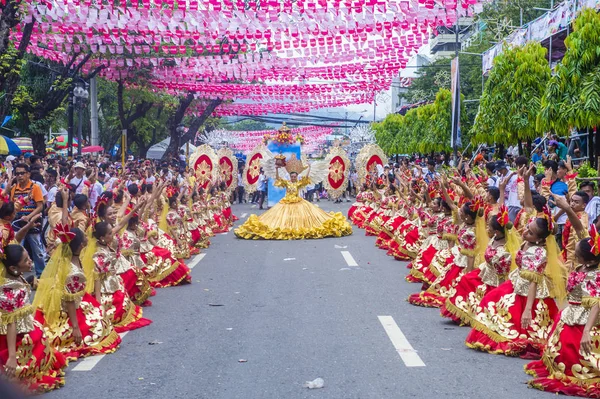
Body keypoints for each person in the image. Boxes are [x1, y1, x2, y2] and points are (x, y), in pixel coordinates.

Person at [465, 212, 566, 357]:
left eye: (530, 233)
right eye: (527, 227)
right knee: (490, 300)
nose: (525, 232)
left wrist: (528, 309)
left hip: (530, 292)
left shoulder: (538, 252)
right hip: (516, 282)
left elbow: (533, 282)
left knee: (520, 323)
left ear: (539, 240)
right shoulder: (527, 242)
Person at [525, 227, 600, 396]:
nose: (572, 251)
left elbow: (596, 304)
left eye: (576, 250)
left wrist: (587, 331)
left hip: (583, 320)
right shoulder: (584, 267)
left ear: (584, 257)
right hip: (570, 314)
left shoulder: (594, 275)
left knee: (575, 355)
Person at [33, 225, 121, 360]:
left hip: (74, 299)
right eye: (84, 236)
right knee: (98, 327)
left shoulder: (71, 257)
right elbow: (69, 300)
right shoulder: (73, 272)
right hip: (70, 307)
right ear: (81, 245)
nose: (88, 237)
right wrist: (75, 327)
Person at [234, 155, 352, 240]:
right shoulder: (287, 182)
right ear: (290, 177)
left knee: (301, 218)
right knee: (283, 218)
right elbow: (278, 179)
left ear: (297, 177)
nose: (294, 178)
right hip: (286, 203)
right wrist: (276, 169)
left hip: (298, 202)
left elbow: (306, 179)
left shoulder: (298, 184)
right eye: (293, 176)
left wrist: (309, 168)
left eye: (295, 176)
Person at [0, 244, 67, 393]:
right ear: (13, 268)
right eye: (26, 260)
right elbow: (11, 323)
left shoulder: (14, 276)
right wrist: (12, 357)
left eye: (28, 257)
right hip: (13, 336)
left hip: (25, 327)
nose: (30, 261)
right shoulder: (10, 291)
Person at [10, 163, 46, 278]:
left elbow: (40, 206)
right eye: (17, 174)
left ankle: (41, 274)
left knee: (37, 250)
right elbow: (12, 205)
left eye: (22, 173)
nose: (20, 176)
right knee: (17, 249)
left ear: (28, 174)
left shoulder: (35, 187)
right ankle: (17, 274)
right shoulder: (14, 188)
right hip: (18, 224)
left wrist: (29, 217)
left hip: (33, 223)